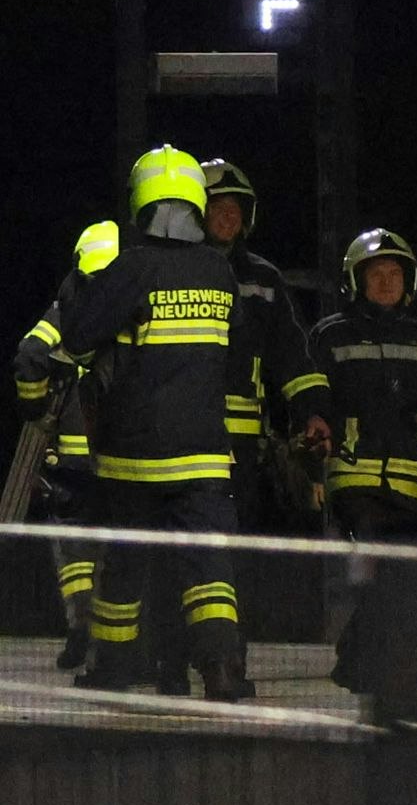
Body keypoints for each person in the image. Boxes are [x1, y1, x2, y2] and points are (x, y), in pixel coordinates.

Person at [20, 150, 284, 698]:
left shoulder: (133, 266)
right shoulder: (218, 271)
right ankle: (220, 669)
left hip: (134, 457)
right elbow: (234, 349)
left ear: (141, 202)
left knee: (122, 568)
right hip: (207, 455)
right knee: (210, 568)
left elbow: (82, 332)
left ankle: (116, 669)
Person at [317, 228, 417, 695]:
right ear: (355, 281)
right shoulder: (330, 334)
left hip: (409, 480)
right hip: (352, 476)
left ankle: (357, 656)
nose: (386, 282)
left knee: (397, 575)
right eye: (377, 273)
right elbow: (309, 398)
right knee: (378, 566)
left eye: (395, 273)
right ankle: (363, 663)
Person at [197, 156, 334, 527]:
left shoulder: (263, 280)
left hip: (244, 452)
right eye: (219, 208)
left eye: (236, 210)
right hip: (181, 441)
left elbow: (292, 354)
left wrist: (312, 411)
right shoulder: (173, 270)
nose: (229, 218)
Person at [12, 220, 121, 667]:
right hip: (123, 455)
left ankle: (82, 629)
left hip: (72, 458)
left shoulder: (67, 306)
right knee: (120, 548)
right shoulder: (136, 304)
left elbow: (29, 356)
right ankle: (121, 645)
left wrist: (35, 411)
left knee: (74, 546)